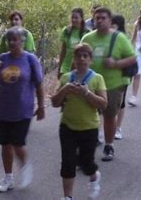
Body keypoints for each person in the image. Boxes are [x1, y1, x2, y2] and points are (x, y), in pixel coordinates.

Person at [51, 44, 107, 200]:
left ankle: (94, 176)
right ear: (74, 59)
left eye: (85, 56)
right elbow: (54, 102)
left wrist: (87, 93)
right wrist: (65, 89)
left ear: (90, 60)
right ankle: (67, 196)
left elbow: (103, 104)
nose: (81, 59)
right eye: (78, 56)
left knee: (85, 163)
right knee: (68, 162)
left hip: (89, 128)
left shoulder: (97, 78)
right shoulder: (66, 78)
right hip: (67, 126)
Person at [81, 7, 136, 162]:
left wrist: (116, 64)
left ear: (110, 20)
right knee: (89, 116)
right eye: (96, 18)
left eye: (103, 18)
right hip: (91, 84)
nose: (99, 20)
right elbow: (77, 58)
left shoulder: (119, 38)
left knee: (109, 116)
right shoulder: (87, 38)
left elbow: (132, 57)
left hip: (113, 85)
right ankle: (87, 148)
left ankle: (109, 145)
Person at [0, 27, 45, 193]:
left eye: (15, 39)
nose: (12, 42)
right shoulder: (3, 58)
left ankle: (24, 164)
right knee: (5, 145)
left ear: (22, 41)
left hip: (23, 109)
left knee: (17, 143)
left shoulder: (30, 59)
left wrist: (42, 106)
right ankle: (8, 178)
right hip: (4, 109)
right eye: (10, 40)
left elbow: (39, 84)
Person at [112, 15, 133, 140]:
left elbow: (131, 59)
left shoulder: (123, 39)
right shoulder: (104, 38)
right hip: (107, 76)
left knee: (120, 103)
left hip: (122, 76)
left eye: (113, 24)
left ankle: (118, 128)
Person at [58, 8, 90, 78]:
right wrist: (59, 67)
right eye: (72, 17)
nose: (73, 20)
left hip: (80, 66)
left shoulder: (87, 32)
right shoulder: (66, 31)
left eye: (76, 18)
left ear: (81, 18)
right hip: (66, 66)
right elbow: (63, 50)